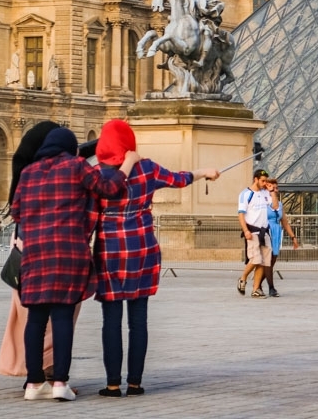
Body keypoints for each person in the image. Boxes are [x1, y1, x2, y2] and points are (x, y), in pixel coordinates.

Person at [90, 119, 220, 397]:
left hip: (109, 251)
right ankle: (135, 382)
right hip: (143, 249)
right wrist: (203, 172)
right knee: (139, 321)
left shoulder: (97, 173)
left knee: (110, 321)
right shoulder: (147, 169)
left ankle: (113, 383)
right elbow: (179, 179)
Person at [11, 126, 129, 402]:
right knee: (62, 317)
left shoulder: (28, 173)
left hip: (35, 254)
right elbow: (109, 188)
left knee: (36, 321)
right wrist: (129, 165)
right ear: (69, 148)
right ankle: (60, 382)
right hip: (67, 252)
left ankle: (34, 382)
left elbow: (16, 211)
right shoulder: (76, 166)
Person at [0, 121, 71, 380]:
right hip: (50, 249)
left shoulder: (24, 175)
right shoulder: (53, 174)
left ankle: (32, 375)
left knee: (28, 318)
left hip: (23, 247)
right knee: (57, 319)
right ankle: (51, 373)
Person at [260, 176, 299, 298]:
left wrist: (293, 237)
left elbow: (285, 222)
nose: (276, 190)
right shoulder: (263, 203)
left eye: (277, 188)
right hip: (267, 231)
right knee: (268, 262)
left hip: (277, 232)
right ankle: (271, 288)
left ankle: (258, 284)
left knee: (271, 262)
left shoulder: (280, 204)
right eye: (273, 188)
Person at [237, 169, 273, 298]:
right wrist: (245, 230)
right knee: (255, 259)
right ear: (255, 179)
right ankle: (243, 277)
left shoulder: (265, 193)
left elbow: (274, 206)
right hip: (253, 231)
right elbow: (241, 214)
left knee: (264, 261)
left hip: (265, 231)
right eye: (262, 181)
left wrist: (272, 192)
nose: (264, 183)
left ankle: (256, 289)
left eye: (266, 181)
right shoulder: (245, 194)